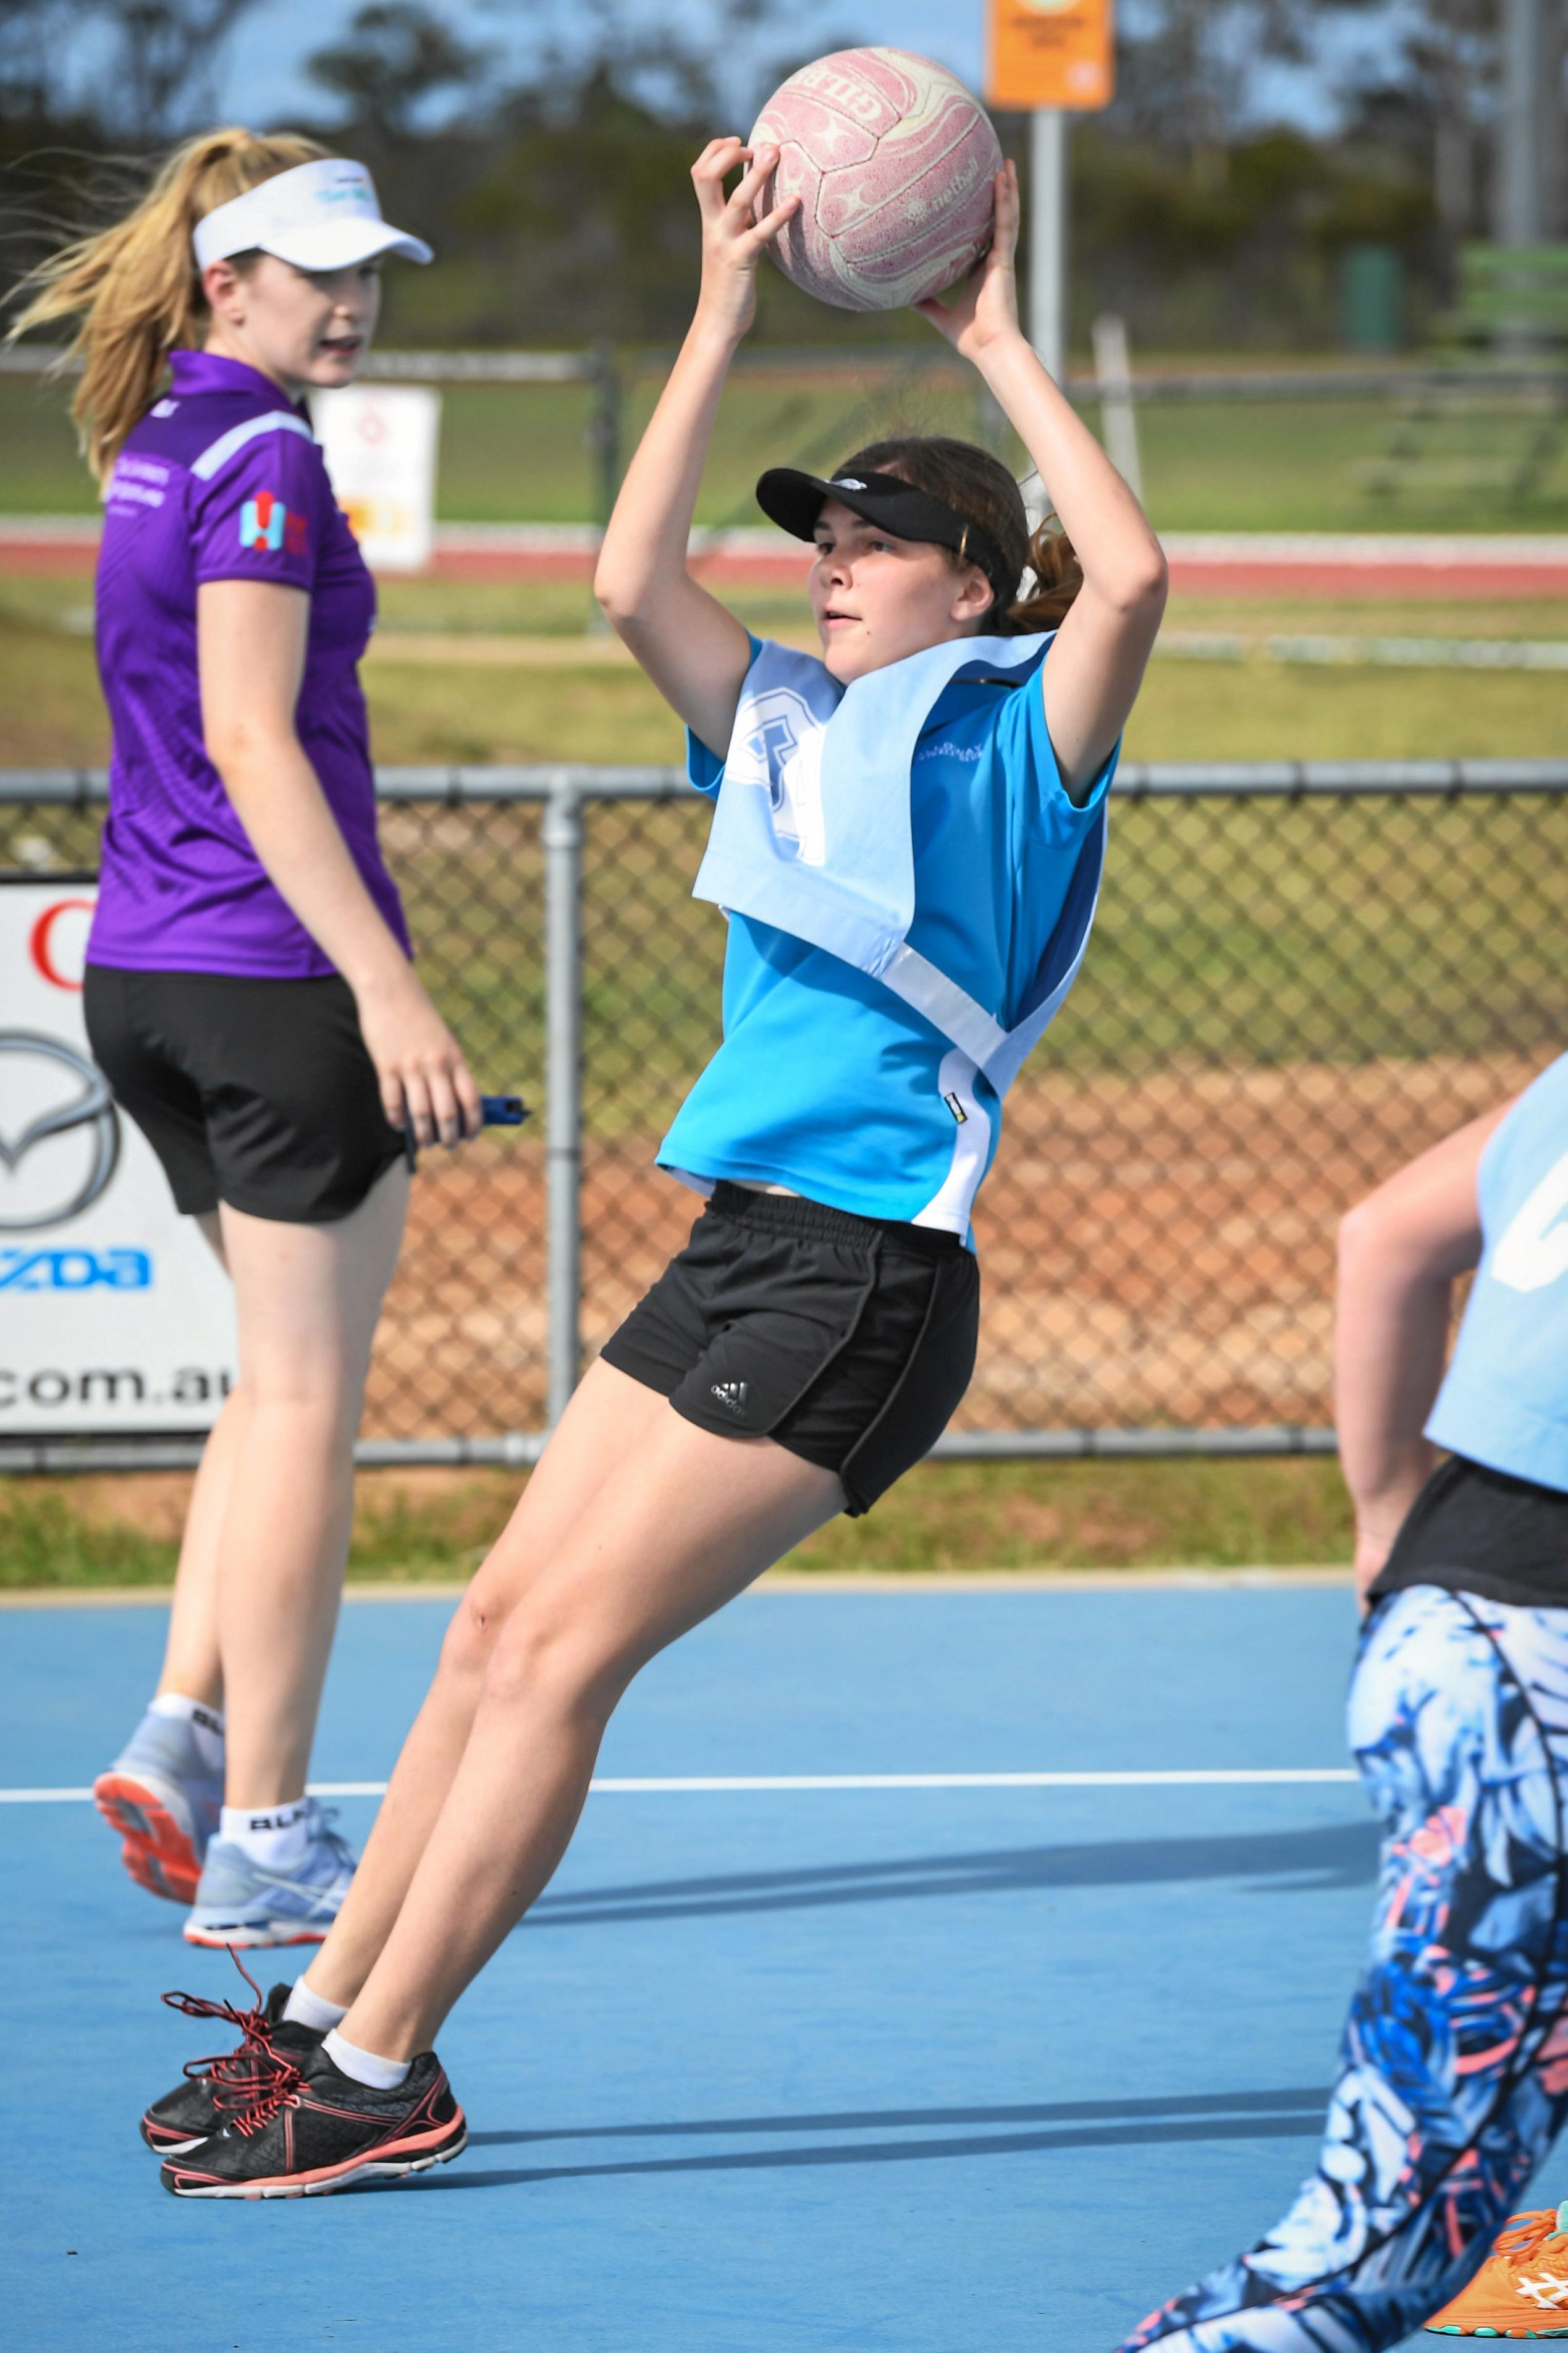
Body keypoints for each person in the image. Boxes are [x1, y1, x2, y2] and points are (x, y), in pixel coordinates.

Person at [139, 138, 1166, 2199]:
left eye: (877, 532)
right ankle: (318, 2011)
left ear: (970, 582)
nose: (830, 551)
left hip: (865, 1276)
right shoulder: (777, 727)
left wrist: (983, 332)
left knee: (555, 1656)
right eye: (821, 529)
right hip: (735, 1243)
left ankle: (383, 2057)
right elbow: (624, 582)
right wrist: (715, 308)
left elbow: (1129, 577)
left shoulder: (1015, 750)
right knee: (483, 1626)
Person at [8, 131, 481, 1950]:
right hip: (267, 979)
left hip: (141, 976)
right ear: (228, 280)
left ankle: (181, 1734)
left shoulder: (160, 444)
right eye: (316, 269)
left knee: (268, 1389)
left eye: (368, 269)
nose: (351, 299)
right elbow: (257, 740)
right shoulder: (269, 453)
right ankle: (271, 1836)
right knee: (307, 1406)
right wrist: (390, 986)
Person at [1115, 1052, 1568, 2351]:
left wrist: (1385, 1529)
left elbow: (1384, 1239)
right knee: (1356, 2269)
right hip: (1531, 1682)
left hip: (1455, 1622)